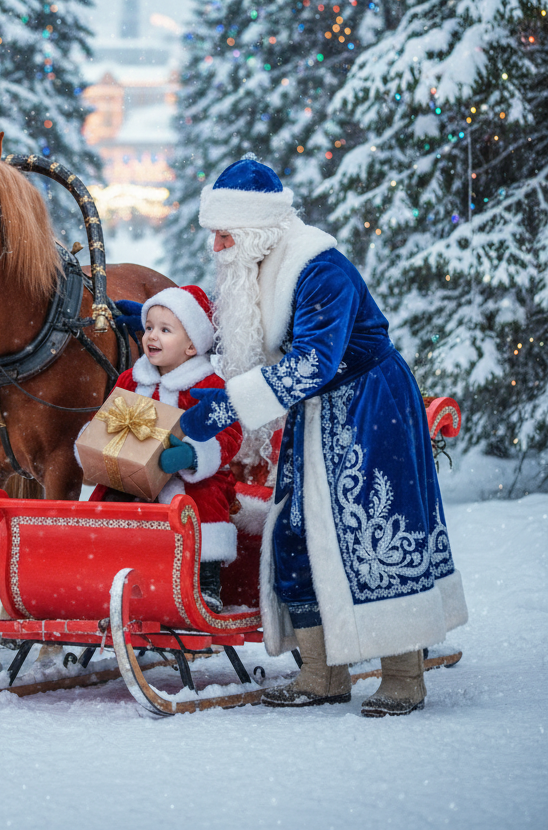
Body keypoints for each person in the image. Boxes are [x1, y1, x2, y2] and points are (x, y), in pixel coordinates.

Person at [179, 158, 468, 716]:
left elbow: (314, 361)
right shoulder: (257, 268)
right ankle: (321, 673)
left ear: (255, 228)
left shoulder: (318, 268)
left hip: (369, 402)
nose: (215, 245)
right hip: (315, 412)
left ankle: (404, 674)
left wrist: (229, 407)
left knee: (375, 529)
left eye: (224, 233)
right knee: (296, 530)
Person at [85, 286, 242, 612]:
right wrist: (100, 445)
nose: (152, 336)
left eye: (165, 330)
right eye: (150, 327)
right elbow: (110, 420)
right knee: (110, 498)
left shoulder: (208, 385)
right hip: (134, 474)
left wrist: (194, 454)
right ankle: (111, 572)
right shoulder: (131, 379)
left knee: (203, 498)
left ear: (191, 346)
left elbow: (230, 434)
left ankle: (204, 580)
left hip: (191, 478)